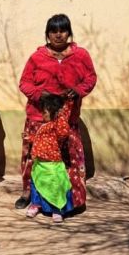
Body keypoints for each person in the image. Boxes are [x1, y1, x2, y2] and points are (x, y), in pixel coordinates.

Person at [16, 14, 97, 211]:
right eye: (53, 31)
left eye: (62, 30)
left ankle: (74, 197)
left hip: (68, 118)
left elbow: (91, 78)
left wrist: (77, 91)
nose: (58, 35)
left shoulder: (81, 56)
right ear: (47, 34)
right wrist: (39, 94)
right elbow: (24, 83)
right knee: (33, 156)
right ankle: (28, 193)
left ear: (69, 33)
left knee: (70, 158)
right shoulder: (37, 58)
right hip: (38, 117)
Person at [26, 94, 74, 223]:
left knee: (55, 186)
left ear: (53, 111)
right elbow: (40, 139)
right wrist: (30, 138)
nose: (43, 114)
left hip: (52, 164)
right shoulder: (44, 126)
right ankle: (36, 205)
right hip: (39, 164)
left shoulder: (57, 125)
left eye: (45, 111)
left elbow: (64, 132)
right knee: (36, 185)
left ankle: (57, 209)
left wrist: (61, 115)